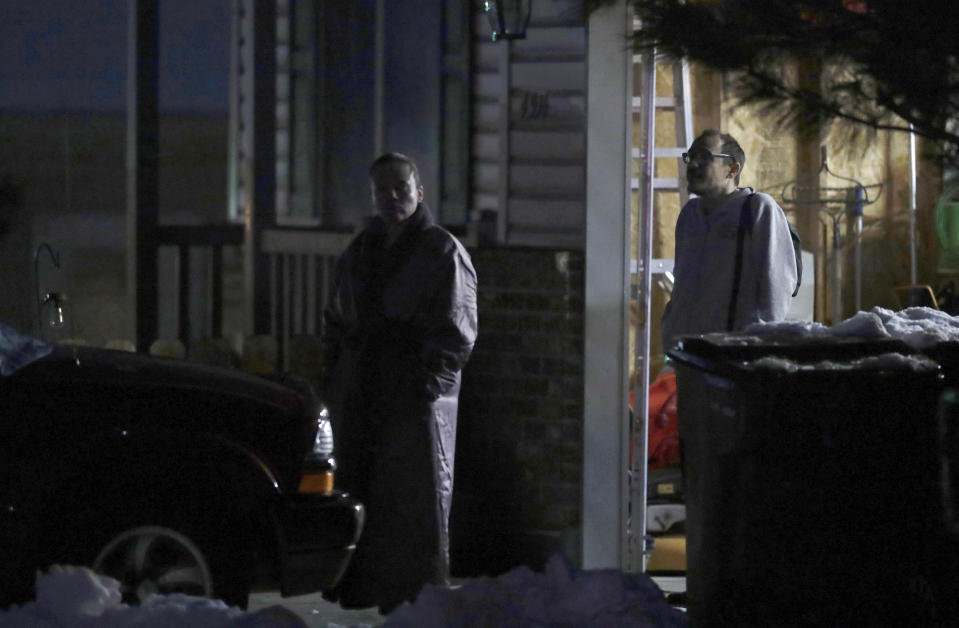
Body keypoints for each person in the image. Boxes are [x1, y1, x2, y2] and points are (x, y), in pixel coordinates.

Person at [321, 152, 478, 614]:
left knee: (413, 501)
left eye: (401, 189)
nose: (392, 199)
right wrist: (338, 374)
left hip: (411, 394)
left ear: (419, 193)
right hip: (364, 388)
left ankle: (415, 598)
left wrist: (426, 386)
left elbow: (458, 331)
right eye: (383, 191)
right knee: (364, 490)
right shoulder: (361, 251)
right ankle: (363, 587)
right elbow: (336, 318)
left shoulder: (442, 251)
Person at [661, 129, 797, 351]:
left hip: (735, 357)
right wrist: (670, 332)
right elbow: (682, 284)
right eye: (690, 157)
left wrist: (755, 349)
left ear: (732, 169)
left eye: (704, 157)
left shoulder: (757, 209)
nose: (693, 164)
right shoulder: (689, 215)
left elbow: (777, 289)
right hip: (690, 356)